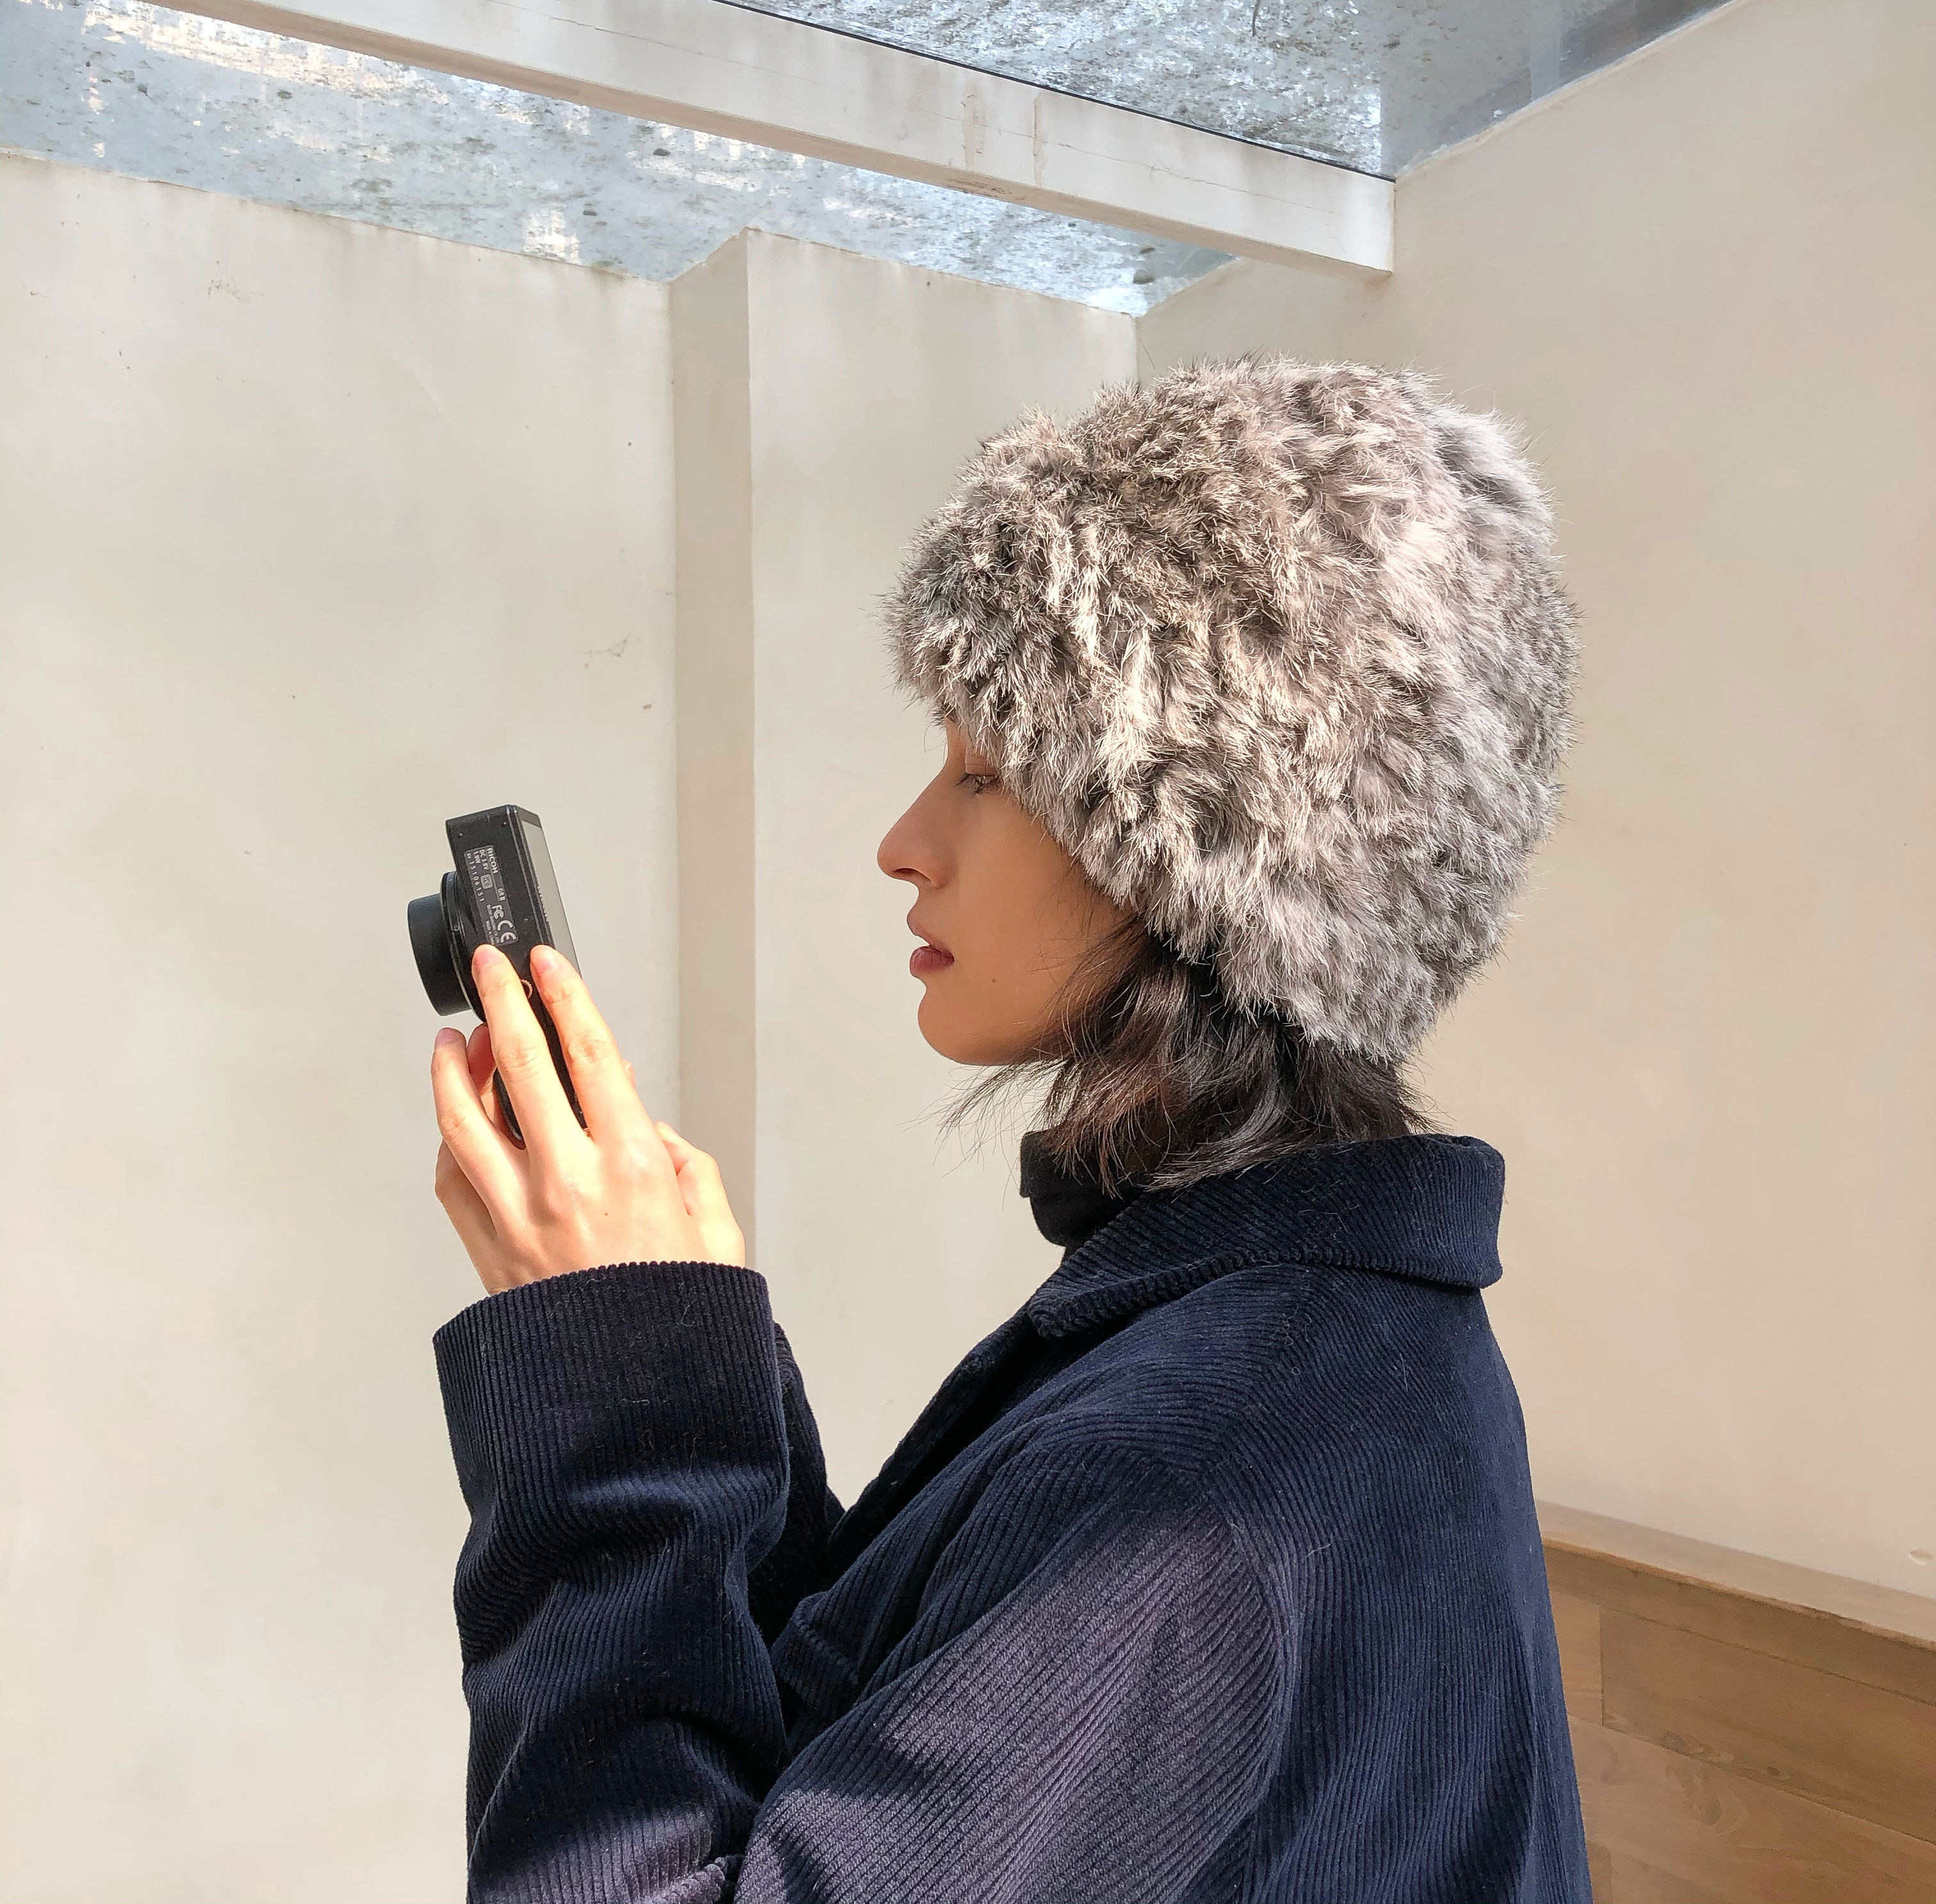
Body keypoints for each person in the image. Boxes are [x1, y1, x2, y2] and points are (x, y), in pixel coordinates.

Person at [427, 359, 1592, 1903]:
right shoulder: (1306, 1340)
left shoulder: (1212, 1477)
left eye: (983, 771)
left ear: (1194, 843)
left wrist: (612, 1394)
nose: (904, 844)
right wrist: (686, 1354)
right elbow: (869, 1714)